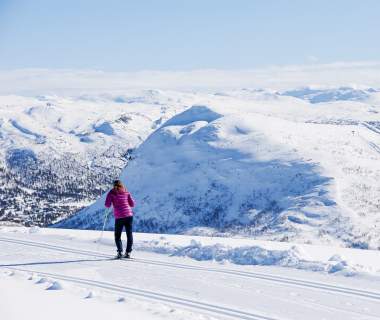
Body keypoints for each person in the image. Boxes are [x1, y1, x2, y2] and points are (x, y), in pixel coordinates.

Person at [105, 180, 135, 259]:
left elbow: (107, 205)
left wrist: (110, 195)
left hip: (119, 217)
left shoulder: (112, 193)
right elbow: (132, 204)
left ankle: (120, 252)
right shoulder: (126, 192)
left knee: (117, 235)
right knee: (129, 234)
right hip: (129, 215)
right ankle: (128, 253)